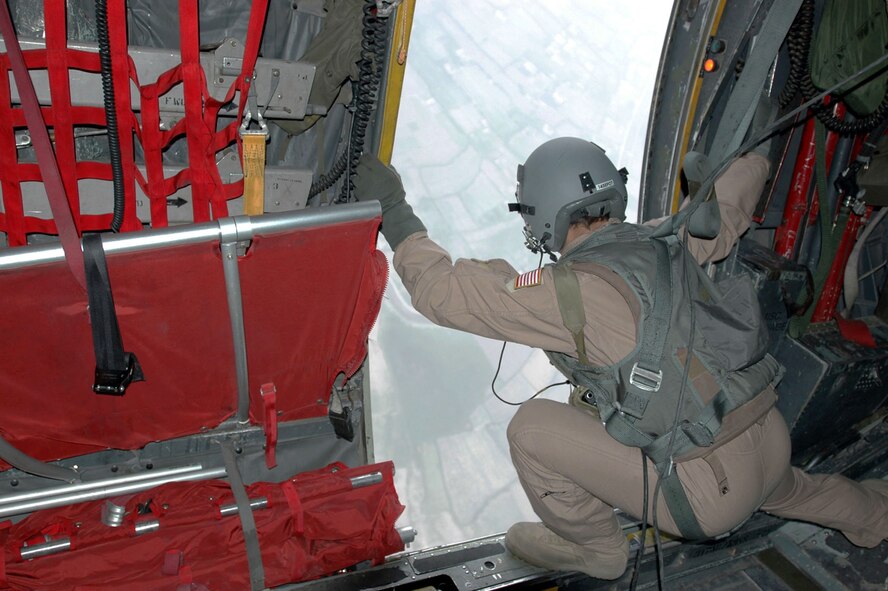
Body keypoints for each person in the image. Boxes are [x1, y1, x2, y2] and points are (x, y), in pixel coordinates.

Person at [352, 138, 888, 580]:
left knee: (532, 430)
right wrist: (759, 151)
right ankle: (876, 514)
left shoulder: (570, 293)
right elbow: (728, 204)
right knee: (794, 489)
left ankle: (597, 553)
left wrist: (395, 211)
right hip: (770, 440)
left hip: (708, 494)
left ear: (541, 215)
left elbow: (444, 294)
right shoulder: (668, 237)